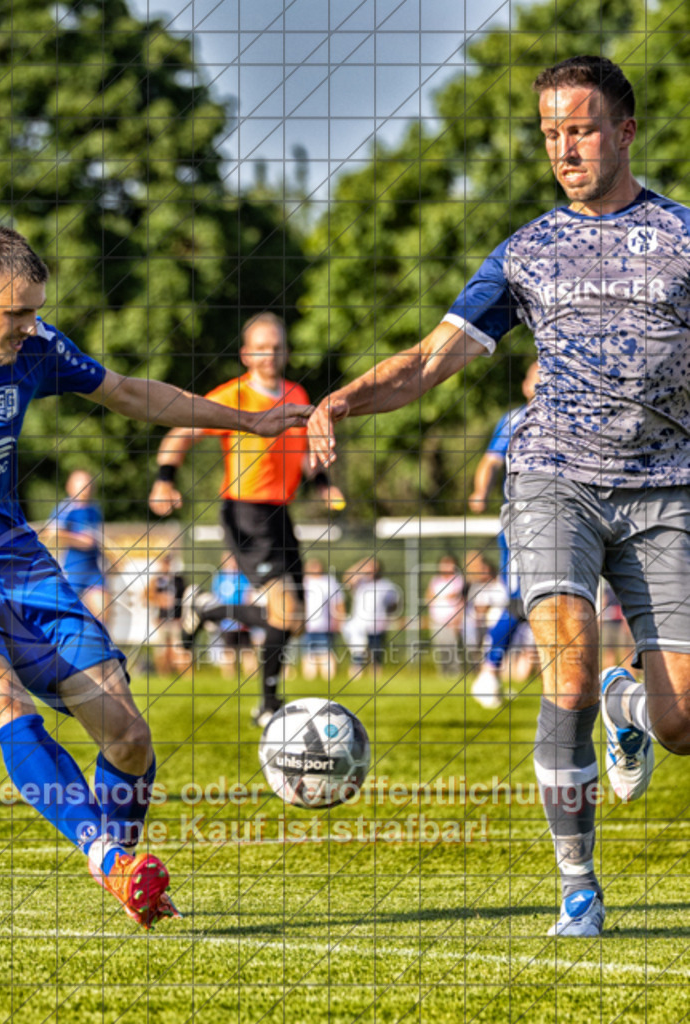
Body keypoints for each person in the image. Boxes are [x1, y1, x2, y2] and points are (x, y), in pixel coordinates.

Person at [309, 55, 690, 938]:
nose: (565, 147)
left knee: (680, 723)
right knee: (563, 669)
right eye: (551, 132)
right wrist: (341, 399)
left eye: (582, 128)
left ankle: (632, 703)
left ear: (625, 131)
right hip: (552, 477)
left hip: (667, 492)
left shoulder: (680, 236)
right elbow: (429, 361)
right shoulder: (525, 252)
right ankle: (579, 890)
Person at [0, 226, 310, 931]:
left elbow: (132, 394)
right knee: (4, 700)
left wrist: (246, 423)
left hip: (18, 563)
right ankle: (106, 857)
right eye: (17, 314)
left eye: (36, 311)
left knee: (129, 737)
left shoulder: (36, 352)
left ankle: (127, 870)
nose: (30, 327)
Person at [148, 313, 344, 727]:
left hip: (281, 512)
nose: (270, 354)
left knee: (294, 620)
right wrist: (165, 479)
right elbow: (180, 433)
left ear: (286, 352)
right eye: (262, 347)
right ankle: (269, 705)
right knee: (284, 612)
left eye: (277, 347)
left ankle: (207, 610)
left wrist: (324, 483)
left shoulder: (296, 392)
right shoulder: (233, 395)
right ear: (245, 354)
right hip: (245, 511)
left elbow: (305, 452)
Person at [468, 362, 539, 708]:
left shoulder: (574, 420)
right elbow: (491, 461)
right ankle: (489, 669)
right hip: (523, 522)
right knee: (519, 600)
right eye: (537, 379)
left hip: (572, 520)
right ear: (526, 386)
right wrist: (481, 491)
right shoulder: (514, 419)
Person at [40, 469, 111, 625]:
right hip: (73, 569)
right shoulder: (66, 508)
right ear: (70, 486)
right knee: (64, 616)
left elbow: (94, 540)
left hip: (93, 569)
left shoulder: (94, 509)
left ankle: (101, 647)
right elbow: (52, 533)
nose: (86, 489)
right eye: (81, 485)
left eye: (88, 485)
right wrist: (79, 539)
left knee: (104, 617)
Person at [342, 557, 400, 671]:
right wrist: (362, 564)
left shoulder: (387, 586)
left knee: (376, 658)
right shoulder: (360, 583)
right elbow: (346, 577)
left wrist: (387, 618)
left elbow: (393, 605)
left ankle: (376, 680)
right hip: (359, 627)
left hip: (377, 627)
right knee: (357, 656)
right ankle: (356, 677)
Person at [301, 557, 346, 681]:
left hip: (325, 625)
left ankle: (329, 678)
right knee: (308, 654)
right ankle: (310, 680)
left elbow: (338, 602)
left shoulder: (329, 582)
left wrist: (339, 620)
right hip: (306, 626)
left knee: (326, 653)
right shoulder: (302, 582)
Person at [423, 554, 466, 674]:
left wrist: (438, 597)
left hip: (452, 620)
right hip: (437, 619)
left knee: (452, 647)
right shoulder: (435, 580)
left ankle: (455, 673)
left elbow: (454, 595)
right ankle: (443, 673)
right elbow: (429, 597)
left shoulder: (458, 579)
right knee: (440, 648)